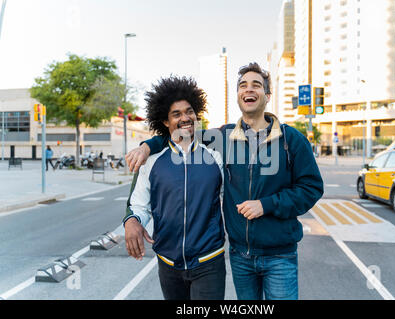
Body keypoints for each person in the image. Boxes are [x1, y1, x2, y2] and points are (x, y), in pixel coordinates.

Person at [126, 63, 324, 300]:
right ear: (238, 96)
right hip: (240, 256)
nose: (248, 89)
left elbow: (311, 188)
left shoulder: (291, 139)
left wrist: (266, 204)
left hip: (278, 255)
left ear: (267, 95)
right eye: (243, 85)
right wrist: (148, 145)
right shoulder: (222, 138)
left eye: (256, 85)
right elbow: (180, 136)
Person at [123, 75, 226, 300]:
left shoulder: (215, 157)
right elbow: (139, 205)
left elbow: (228, 201)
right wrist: (132, 221)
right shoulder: (152, 161)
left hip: (209, 261)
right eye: (176, 114)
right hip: (168, 263)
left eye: (189, 111)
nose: (185, 118)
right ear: (165, 121)